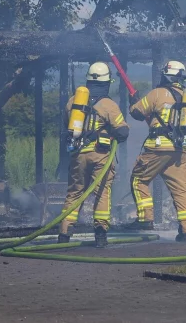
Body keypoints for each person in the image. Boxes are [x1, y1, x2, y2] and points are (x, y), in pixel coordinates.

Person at [124, 60, 186, 242]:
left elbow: (136, 113)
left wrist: (133, 101)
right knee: (182, 190)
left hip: (157, 148)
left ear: (166, 75)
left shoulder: (158, 93)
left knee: (138, 180)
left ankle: (145, 219)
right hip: (179, 151)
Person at [58, 62, 130, 248]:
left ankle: (64, 233)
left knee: (75, 193)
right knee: (102, 192)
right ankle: (100, 234)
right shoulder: (108, 105)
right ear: (107, 82)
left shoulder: (72, 101)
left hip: (78, 155)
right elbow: (123, 132)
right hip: (101, 156)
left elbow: (68, 127)